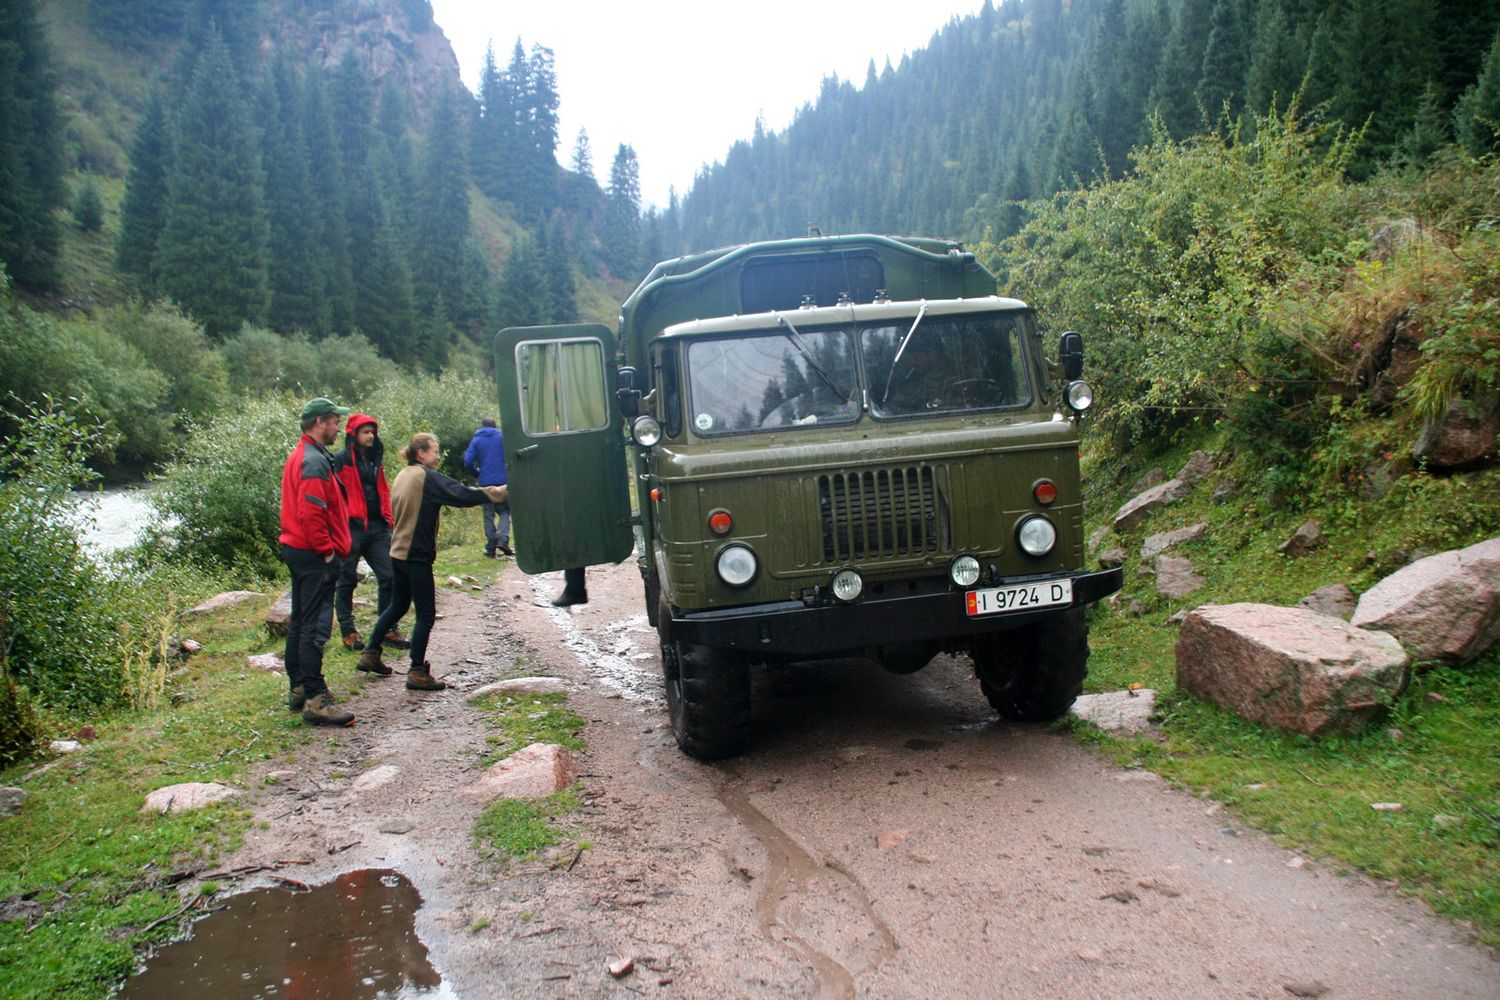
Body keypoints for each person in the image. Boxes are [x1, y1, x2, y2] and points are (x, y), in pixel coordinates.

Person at [358, 433, 508, 690]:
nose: (438, 456)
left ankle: (370, 652)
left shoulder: (402, 475)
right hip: (416, 554)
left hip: (397, 552)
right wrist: (502, 493)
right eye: (435, 451)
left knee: (397, 605)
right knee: (425, 614)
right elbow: (462, 494)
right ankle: (417, 671)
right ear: (421, 454)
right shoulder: (426, 477)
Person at [279, 397, 355, 726]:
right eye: (335, 421)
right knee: (314, 627)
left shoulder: (304, 455)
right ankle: (315, 699)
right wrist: (327, 551)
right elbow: (312, 513)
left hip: (298, 549)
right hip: (313, 554)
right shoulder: (312, 461)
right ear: (319, 422)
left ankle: (298, 689)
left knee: (300, 621)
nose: (339, 427)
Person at [330, 413, 410, 653]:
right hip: (351, 527)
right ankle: (348, 631)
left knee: (390, 576)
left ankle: (387, 627)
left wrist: (388, 519)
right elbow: (333, 494)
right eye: (366, 432)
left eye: (373, 432)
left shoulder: (376, 460)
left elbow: (382, 490)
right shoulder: (340, 460)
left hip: (377, 527)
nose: (371, 436)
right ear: (354, 434)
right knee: (346, 580)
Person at [463, 418, 511, 557]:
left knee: (488, 515)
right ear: (495, 426)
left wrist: (477, 474)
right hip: (503, 481)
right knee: (505, 512)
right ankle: (502, 539)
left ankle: (491, 548)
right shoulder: (502, 437)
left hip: (485, 483)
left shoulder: (477, 440)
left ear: (482, 426)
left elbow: (467, 462)